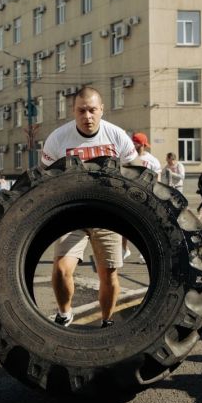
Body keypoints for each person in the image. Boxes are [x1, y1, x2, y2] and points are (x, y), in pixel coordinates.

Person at [41, 86, 137, 328]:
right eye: (81, 111)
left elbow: (134, 175)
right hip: (72, 215)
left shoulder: (116, 136)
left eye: (92, 110)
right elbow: (45, 179)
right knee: (61, 269)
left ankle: (107, 321)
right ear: (73, 111)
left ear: (102, 109)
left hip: (108, 216)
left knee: (108, 274)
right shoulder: (58, 138)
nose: (87, 116)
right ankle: (64, 313)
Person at [123, 132, 161, 263]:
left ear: (142, 144)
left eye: (135, 142)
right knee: (124, 222)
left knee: (145, 226)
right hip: (129, 194)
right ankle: (124, 249)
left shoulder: (152, 160)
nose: (133, 144)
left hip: (146, 197)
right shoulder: (127, 158)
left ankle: (143, 253)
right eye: (132, 142)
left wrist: (155, 196)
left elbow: (158, 179)